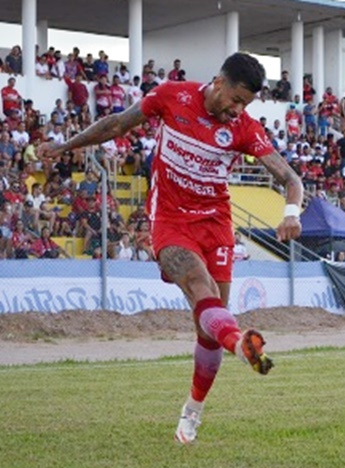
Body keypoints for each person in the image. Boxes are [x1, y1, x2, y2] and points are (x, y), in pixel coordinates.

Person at [38, 52, 304, 444]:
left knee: (209, 328)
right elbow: (116, 124)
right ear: (218, 82)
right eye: (235, 100)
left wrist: (292, 212)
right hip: (171, 220)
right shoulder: (170, 96)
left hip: (216, 225)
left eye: (245, 105)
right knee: (200, 287)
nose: (237, 110)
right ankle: (242, 345)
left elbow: (290, 177)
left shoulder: (246, 129)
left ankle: (192, 410)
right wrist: (65, 147)